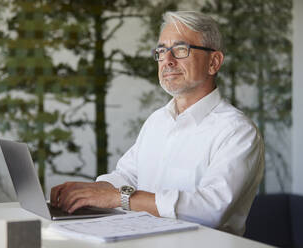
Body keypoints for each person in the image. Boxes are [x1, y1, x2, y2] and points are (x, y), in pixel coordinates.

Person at [50, 10, 264, 236]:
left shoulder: (237, 131)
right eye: (162, 51)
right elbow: (127, 176)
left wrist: (117, 197)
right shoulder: (157, 121)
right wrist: (89, 191)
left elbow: (210, 209)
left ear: (214, 62)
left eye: (181, 50)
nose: (167, 61)